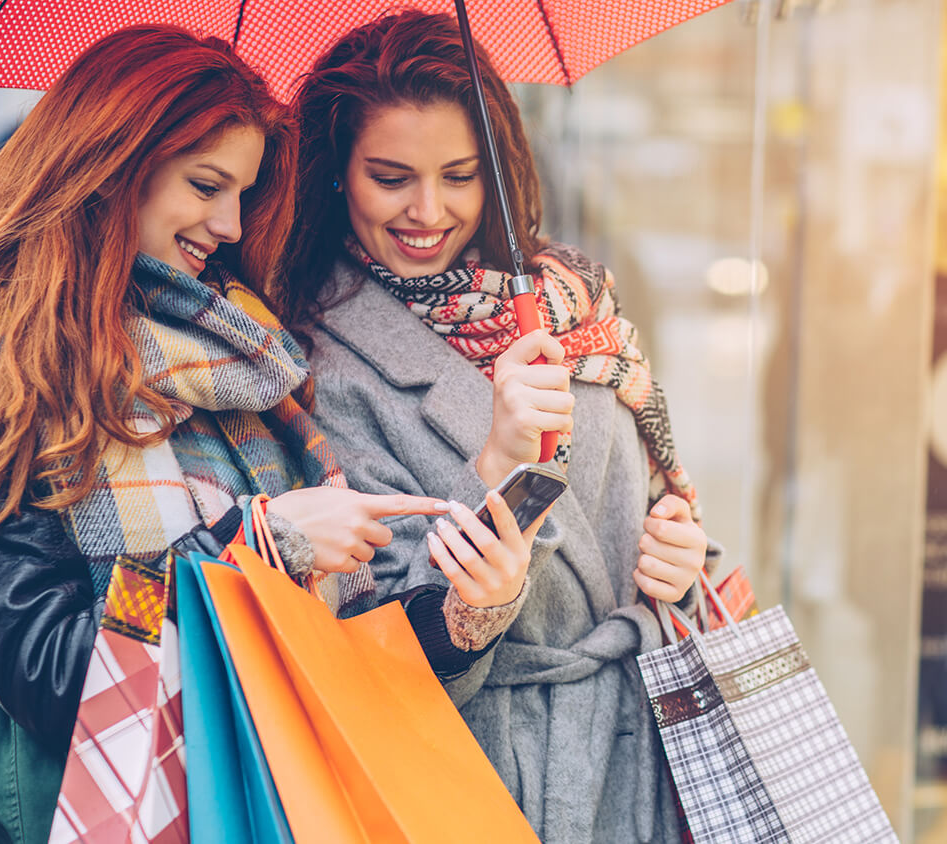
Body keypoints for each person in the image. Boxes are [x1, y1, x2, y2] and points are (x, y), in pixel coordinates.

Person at [0, 26, 538, 842]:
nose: (232, 224)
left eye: (243, 193)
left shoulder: (250, 360)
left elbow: (322, 652)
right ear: (115, 165)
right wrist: (258, 542)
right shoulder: (18, 367)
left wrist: (464, 615)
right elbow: (51, 671)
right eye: (206, 185)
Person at [282, 11, 713, 841]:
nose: (428, 210)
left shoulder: (577, 303)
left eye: (460, 174)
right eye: (391, 176)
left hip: (633, 759)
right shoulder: (314, 355)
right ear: (339, 173)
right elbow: (365, 620)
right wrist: (497, 466)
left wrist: (682, 557)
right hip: (465, 772)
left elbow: (658, 504)